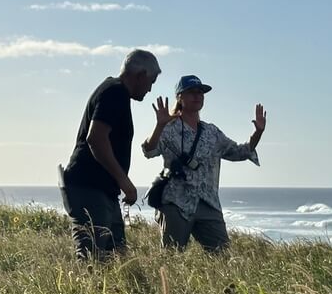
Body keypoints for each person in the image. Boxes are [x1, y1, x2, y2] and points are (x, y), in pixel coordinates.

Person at [142, 74, 266, 252]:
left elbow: (240, 152)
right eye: (191, 92)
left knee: (223, 257)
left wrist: (258, 133)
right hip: (176, 202)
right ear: (179, 97)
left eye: (200, 92)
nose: (197, 96)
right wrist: (159, 126)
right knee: (171, 258)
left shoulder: (212, 132)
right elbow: (149, 150)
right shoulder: (168, 128)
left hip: (208, 203)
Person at [60, 49, 161, 259]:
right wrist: (125, 182)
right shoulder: (115, 92)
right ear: (140, 75)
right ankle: (83, 292)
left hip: (102, 190)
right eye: (151, 81)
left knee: (117, 256)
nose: (150, 88)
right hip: (89, 188)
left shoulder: (114, 91)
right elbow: (95, 138)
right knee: (92, 258)